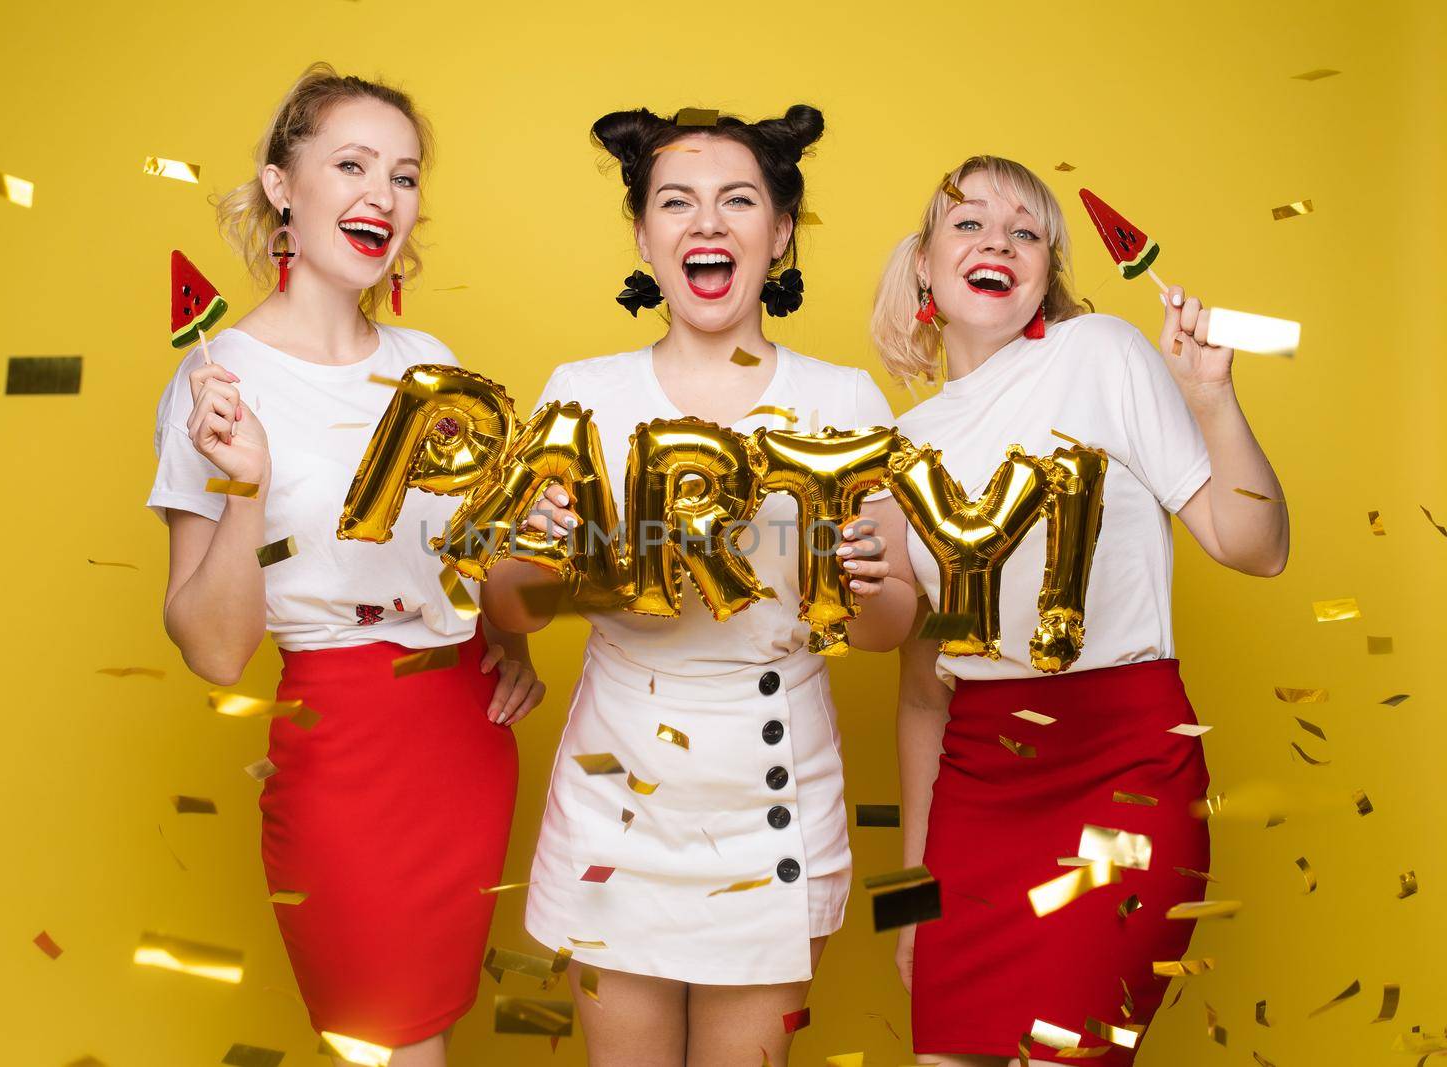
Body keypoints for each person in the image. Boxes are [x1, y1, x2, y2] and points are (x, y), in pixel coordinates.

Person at [482, 104, 915, 1067]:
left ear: (781, 231)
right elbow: (509, 608)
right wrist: (533, 557)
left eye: (737, 200)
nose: (706, 223)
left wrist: (876, 577)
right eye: (676, 201)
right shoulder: (581, 393)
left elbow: (889, 631)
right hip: (616, 793)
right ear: (644, 233)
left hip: (773, 795)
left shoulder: (844, 400)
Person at [147, 63, 543, 1066]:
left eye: (404, 176)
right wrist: (248, 486)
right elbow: (215, 651)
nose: (382, 194)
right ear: (284, 185)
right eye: (352, 163)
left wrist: (506, 629)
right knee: (388, 1040)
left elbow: (469, 563)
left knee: (428, 1038)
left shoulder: (431, 362)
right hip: (341, 743)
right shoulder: (220, 377)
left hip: (459, 738)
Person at [872, 156, 1290, 1065]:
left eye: (1026, 231)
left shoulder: (1100, 352)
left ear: (1045, 272)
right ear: (924, 269)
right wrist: (911, 900)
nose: (999, 242)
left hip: (1123, 774)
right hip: (976, 800)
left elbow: (1257, 548)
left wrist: (1213, 398)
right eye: (970, 224)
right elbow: (919, 696)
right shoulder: (903, 449)